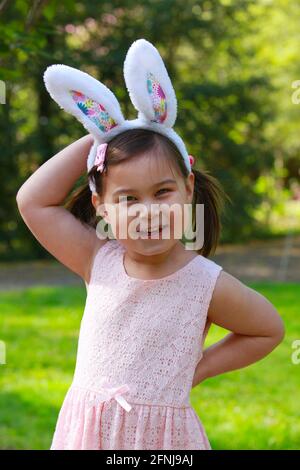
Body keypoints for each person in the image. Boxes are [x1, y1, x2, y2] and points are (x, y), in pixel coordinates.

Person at [16, 39, 285, 450]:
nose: (148, 211)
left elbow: (268, 329)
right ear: (101, 206)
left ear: (188, 188)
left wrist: (198, 368)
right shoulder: (96, 259)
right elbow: (32, 201)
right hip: (87, 438)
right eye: (128, 199)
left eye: (162, 192)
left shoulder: (204, 284)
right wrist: (102, 137)